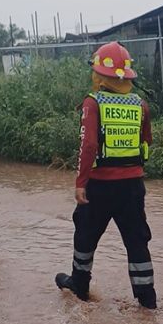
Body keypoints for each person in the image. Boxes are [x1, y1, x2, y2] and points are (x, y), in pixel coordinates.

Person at [55, 42, 156, 309]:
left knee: (85, 236)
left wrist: (80, 182)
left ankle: (80, 287)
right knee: (136, 240)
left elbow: (88, 146)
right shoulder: (140, 105)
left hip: (99, 186)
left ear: (100, 74)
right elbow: (146, 141)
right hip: (133, 185)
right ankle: (147, 300)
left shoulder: (93, 102)